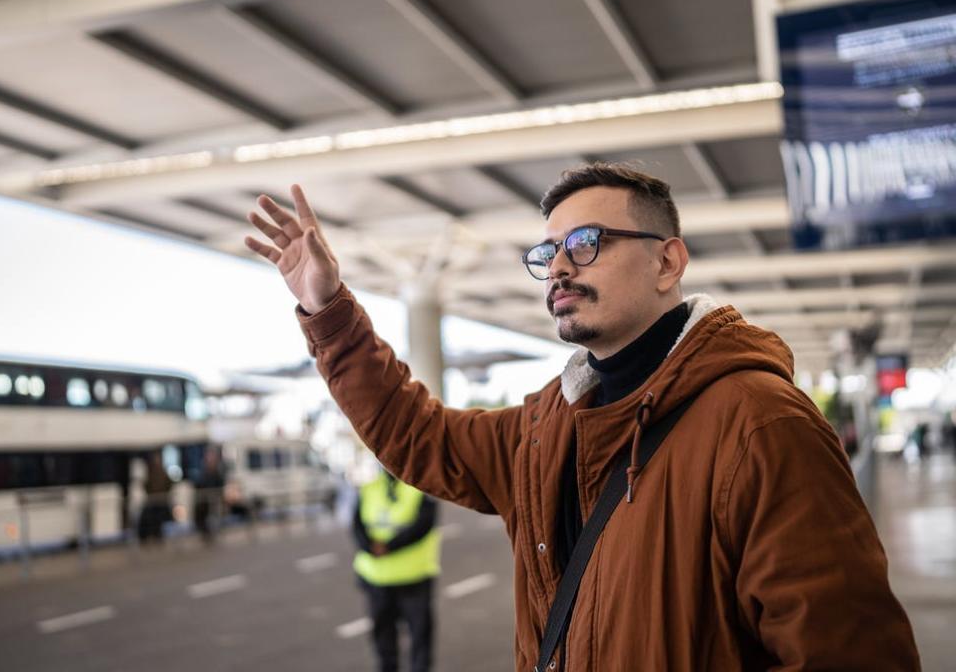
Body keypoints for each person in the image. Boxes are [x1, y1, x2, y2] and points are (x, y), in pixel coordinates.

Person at [245, 163, 920, 670]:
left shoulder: (761, 425)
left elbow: (846, 655)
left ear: (668, 259)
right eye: (550, 252)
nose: (561, 266)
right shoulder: (546, 425)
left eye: (588, 241)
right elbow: (417, 435)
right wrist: (329, 312)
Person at [352, 469, 440, 672]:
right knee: (383, 640)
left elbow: (423, 525)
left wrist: (387, 547)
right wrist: (370, 546)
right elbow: (356, 527)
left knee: (419, 639)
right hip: (376, 579)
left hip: (414, 579)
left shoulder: (421, 489)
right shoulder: (369, 488)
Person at [138, 451, 173, 543]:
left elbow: (169, 484)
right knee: (147, 518)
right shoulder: (150, 473)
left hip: (161, 501)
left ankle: (157, 535)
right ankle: (146, 536)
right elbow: (146, 486)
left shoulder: (164, 473)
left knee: (159, 518)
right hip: (153, 501)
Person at [193, 445, 225, 544]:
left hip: (213, 502)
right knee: (201, 516)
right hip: (204, 502)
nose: (210, 460)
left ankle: (212, 535)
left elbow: (220, 486)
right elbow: (198, 485)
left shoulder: (217, 473)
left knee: (212, 518)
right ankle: (206, 535)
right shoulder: (203, 473)